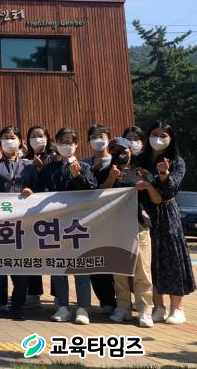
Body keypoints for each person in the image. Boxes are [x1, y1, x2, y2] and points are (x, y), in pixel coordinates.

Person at [29, 127, 96, 324]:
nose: (65, 146)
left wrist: (77, 176)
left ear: (76, 144)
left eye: (69, 142)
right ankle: (63, 307)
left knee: (81, 268)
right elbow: (42, 191)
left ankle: (82, 308)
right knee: (58, 267)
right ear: (56, 144)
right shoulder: (49, 168)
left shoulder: (85, 167)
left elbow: (91, 192)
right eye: (61, 142)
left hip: (78, 225)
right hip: (56, 224)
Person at [140, 122, 196, 324]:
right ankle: (158, 306)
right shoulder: (141, 159)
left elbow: (171, 190)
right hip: (145, 213)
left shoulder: (177, 162)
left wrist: (164, 173)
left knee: (171, 259)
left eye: (163, 135)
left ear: (171, 139)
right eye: (154, 134)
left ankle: (177, 308)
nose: (158, 138)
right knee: (150, 261)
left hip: (167, 214)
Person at [102, 137, 160, 328]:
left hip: (139, 225)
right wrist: (111, 178)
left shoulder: (141, 172)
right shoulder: (106, 172)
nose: (120, 154)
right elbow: (98, 196)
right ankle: (123, 307)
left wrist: (148, 186)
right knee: (119, 270)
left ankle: (144, 309)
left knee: (142, 270)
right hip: (115, 227)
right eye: (115, 151)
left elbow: (157, 199)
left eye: (123, 151)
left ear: (130, 152)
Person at [0, 126, 38, 321]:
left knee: (22, 269)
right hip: (0, 221)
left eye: (13, 137)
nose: (9, 141)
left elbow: (38, 188)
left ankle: (17, 307)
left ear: (20, 141)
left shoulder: (28, 166)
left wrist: (31, 191)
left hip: (23, 223)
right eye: (5, 138)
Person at [81, 124, 117, 315]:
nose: (97, 140)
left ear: (109, 138)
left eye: (101, 136)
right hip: (93, 220)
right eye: (93, 136)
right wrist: (91, 171)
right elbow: (83, 191)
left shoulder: (118, 161)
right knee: (96, 260)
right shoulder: (84, 163)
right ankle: (106, 301)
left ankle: (124, 301)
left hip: (116, 218)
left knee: (116, 258)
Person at [22, 124, 55, 308]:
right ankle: (33, 292)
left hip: (52, 211)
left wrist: (42, 169)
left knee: (56, 252)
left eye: (40, 135)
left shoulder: (54, 157)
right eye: (33, 136)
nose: (37, 139)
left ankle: (59, 295)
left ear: (47, 138)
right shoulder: (24, 159)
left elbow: (54, 182)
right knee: (31, 252)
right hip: (29, 213)